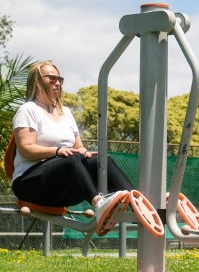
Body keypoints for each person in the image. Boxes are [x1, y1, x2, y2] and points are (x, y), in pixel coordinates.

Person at [10, 60, 135, 234]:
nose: (58, 82)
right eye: (52, 78)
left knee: (101, 160)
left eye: (60, 79)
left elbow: (78, 147)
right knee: (71, 159)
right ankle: (99, 203)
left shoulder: (65, 112)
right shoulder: (28, 110)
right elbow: (26, 149)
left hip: (62, 186)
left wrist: (85, 153)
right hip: (30, 184)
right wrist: (58, 151)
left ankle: (136, 202)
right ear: (38, 82)